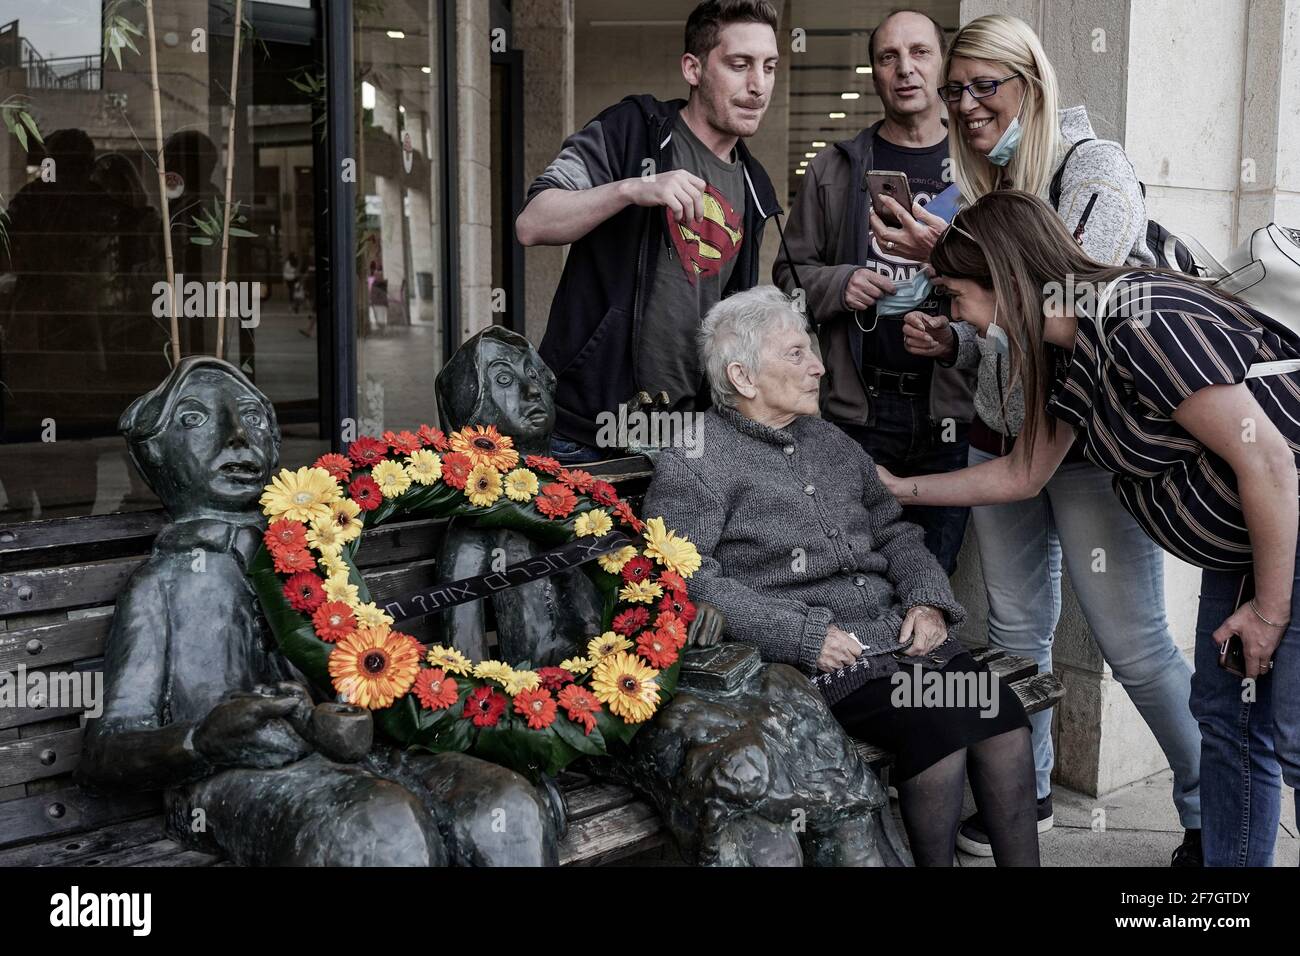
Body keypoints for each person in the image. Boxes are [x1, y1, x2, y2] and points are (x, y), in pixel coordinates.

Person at [869, 13, 1203, 863]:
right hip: (997, 426)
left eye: (988, 85)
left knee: (1134, 644)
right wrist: (960, 341)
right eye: (957, 90)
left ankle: (1210, 811)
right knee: (1015, 626)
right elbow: (1008, 326)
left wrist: (947, 249)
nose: (969, 105)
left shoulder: (1096, 166)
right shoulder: (984, 180)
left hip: (1086, 441)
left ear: (1034, 82)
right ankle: (1032, 791)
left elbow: (1065, 311)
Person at [886, 189, 1300, 868]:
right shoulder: (1076, 346)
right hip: (1249, 546)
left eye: (956, 294)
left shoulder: (1138, 321)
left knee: (1291, 733)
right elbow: (1023, 475)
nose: (954, 314)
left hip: (1289, 527)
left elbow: (1269, 461)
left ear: (1008, 280)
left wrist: (1272, 608)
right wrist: (900, 488)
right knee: (1228, 723)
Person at [642, 286, 1039, 866]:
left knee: (1000, 717)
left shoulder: (831, 442)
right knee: (940, 732)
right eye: (796, 354)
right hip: (819, 663)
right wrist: (801, 634)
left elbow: (895, 533)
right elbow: (688, 577)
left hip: (901, 636)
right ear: (743, 377)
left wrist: (928, 601)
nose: (819, 366)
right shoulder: (696, 458)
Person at [516, 0, 782, 466]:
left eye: (769, 67)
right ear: (693, 68)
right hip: (585, 428)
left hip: (685, 440)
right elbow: (533, 222)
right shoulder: (634, 130)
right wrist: (631, 189)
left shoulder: (755, 184)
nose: (758, 85)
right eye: (739, 65)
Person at [774, 9, 975, 575]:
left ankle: (921, 664)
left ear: (943, 64)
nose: (905, 69)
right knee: (851, 571)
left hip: (951, 413)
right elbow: (788, 275)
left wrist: (956, 333)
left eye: (920, 53)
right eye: (889, 57)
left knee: (933, 575)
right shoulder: (834, 169)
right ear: (873, 72)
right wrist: (841, 282)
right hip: (856, 413)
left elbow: (1008, 287)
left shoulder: (978, 169)